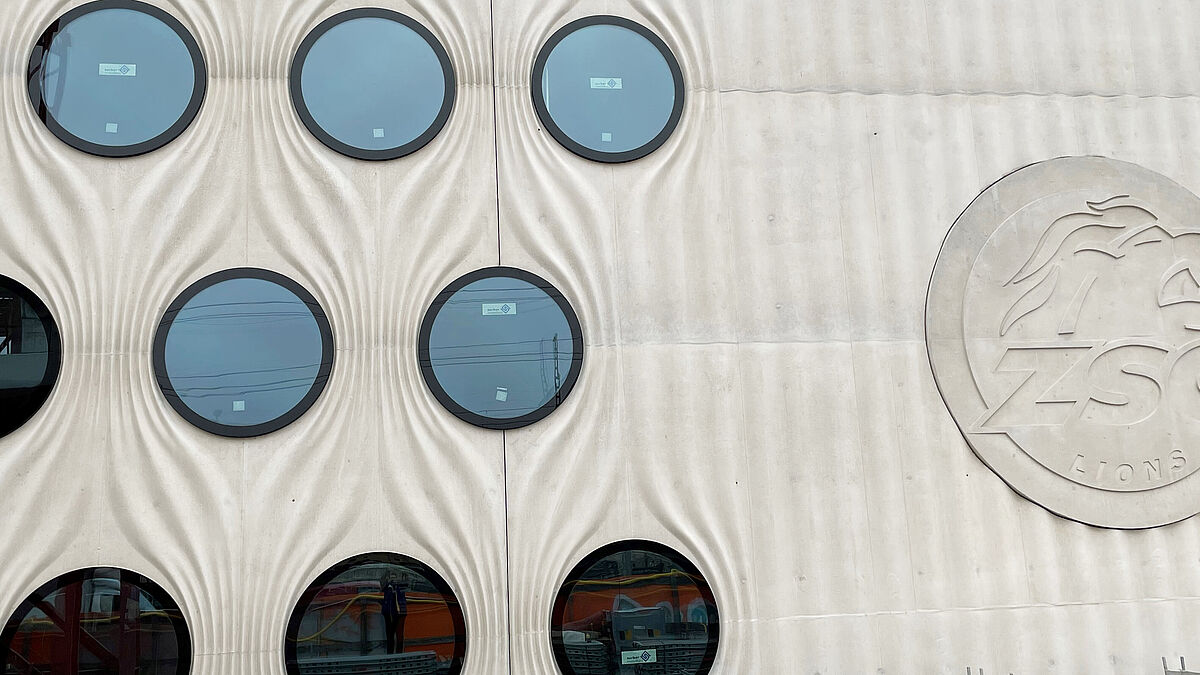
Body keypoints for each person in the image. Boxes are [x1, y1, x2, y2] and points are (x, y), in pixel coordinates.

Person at [379, 571, 409, 654]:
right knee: (390, 637)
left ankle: (399, 656)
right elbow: (382, 587)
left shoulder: (403, 574)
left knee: (399, 637)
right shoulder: (386, 579)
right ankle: (390, 656)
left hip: (399, 609)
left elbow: (407, 585)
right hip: (389, 609)